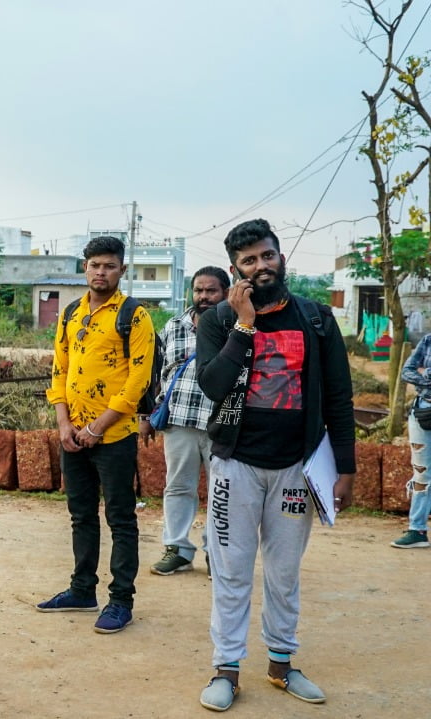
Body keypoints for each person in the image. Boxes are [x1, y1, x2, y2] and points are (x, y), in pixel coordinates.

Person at [194, 219, 355, 712]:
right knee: (231, 571)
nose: (261, 266)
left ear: (281, 258)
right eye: (249, 261)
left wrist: (345, 467)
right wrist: (244, 325)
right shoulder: (219, 320)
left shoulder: (316, 318)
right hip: (236, 464)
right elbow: (213, 386)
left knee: (284, 572)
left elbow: (339, 396)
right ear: (235, 270)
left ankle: (282, 664)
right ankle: (226, 668)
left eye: (267, 256)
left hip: (296, 467)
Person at [37, 235, 153, 634]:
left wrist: (96, 428)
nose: (101, 272)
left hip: (114, 435)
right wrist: (64, 424)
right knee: (81, 514)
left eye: (109, 266)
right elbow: (60, 369)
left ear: (122, 270)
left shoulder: (134, 316)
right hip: (73, 434)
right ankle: (82, 589)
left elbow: (137, 381)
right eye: (94, 265)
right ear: (84, 268)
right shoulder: (71, 313)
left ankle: (120, 601)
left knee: (120, 518)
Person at [141, 267, 230, 576]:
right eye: (199, 290)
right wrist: (146, 416)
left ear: (226, 293)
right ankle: (177, 549)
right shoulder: (174, 326)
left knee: (222, 492)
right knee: (178, 486)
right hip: (179, 420)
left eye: (211, 291)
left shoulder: (237, 327)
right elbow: (156, 373)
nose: (204, 297)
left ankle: (216, 553)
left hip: (221, 423)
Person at [393, 332, 431, 548]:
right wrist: (426, 378)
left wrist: (426, 373)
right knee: (422, 473)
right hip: (422, 414)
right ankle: (417, 530)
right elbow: (407, 371)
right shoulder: (428, 340)